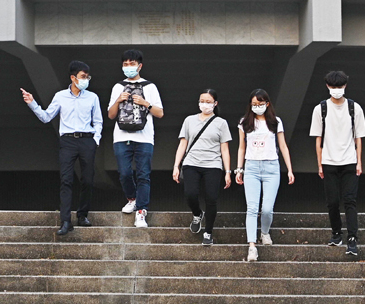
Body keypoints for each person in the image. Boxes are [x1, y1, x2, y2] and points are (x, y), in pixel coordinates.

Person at [21, 60, 103, 236]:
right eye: (82, 76)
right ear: (73, 78)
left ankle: (82, 215)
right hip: (67, 141)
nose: (86, 80)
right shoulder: (60, 96)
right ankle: (66, 220)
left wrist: (95, 139)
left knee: (87, 180)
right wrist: (32, 103)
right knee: (66, 180)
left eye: (87, 77)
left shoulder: (92, 97)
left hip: (87, 140)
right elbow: (46, 117)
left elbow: (98, 121)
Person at [310, 70, 365, 257]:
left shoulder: (354, 108)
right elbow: (318, 140)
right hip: (328, 161)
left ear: (345, 86)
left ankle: (352, 239)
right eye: (334, 87)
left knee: (350, 201)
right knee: (332, 202)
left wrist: (359, 162)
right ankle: (336, 234)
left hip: (349, 160)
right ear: (327, 87)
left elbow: (359, 138)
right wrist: (319, 164)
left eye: (340, 87)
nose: (337, 90)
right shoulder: (320, 109)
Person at [234, 89, 295, 262]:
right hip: (251, 166)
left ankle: (265, 232)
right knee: (252, 208)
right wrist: (239, 169)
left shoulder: (275, 122)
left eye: (260, 104)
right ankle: (252, 246)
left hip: (271, 166)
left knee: (267, 208)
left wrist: (289, 169)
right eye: (254, 104)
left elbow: (283, 146)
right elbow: (241, 147)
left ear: (267, 104)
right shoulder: (244, 122)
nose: (257, 107)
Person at [107, 49, 163, 229]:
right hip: (121, 136)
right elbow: (110, 115)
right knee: (124, 173)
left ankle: (141, 211)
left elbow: (160, 113)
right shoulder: (118, 86)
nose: (128, 67)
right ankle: (132, 198)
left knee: (143, 174)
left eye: (132, 64)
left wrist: (145, 102)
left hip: (144, 137)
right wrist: (118, 101)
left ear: (140, 66)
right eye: (125, 64)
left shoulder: (150, 87)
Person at [172, 89, 232, 245]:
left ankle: (208, 232)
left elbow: (224, 149)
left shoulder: (221, 123)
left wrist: (227, 172)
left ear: (215, 103)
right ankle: (197, 214)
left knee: (211, 198)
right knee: (190, 193)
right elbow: (182, 144)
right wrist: (176, 165)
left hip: (213, 164)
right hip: (191, 162)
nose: (204, 104)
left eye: (208, 101)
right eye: (202, 101)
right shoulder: (189, 120)